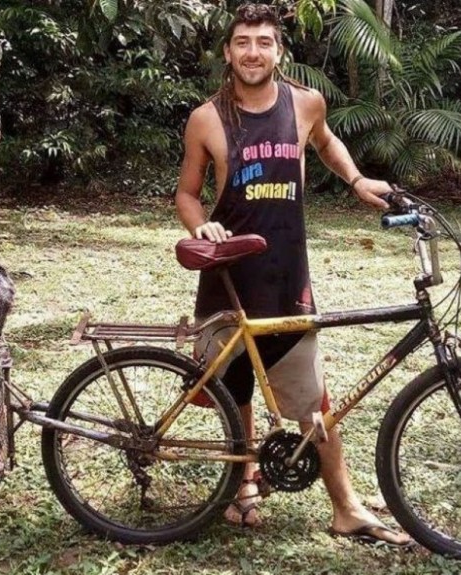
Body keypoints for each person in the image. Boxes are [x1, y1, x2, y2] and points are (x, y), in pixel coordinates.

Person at [175, 3, 412, 547]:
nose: (252, 51)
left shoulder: (306, 104)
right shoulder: (206, 118)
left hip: (287, 272)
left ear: (279, 51)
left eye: (263, 41)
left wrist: (354, 180)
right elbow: (187, 194)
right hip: (230, 272)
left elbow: (326, 143)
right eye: (242, 42)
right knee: (235, 385)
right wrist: (202, 225)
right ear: (228, 52)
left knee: (312, 397)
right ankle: (245, 484)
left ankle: (346, 507)